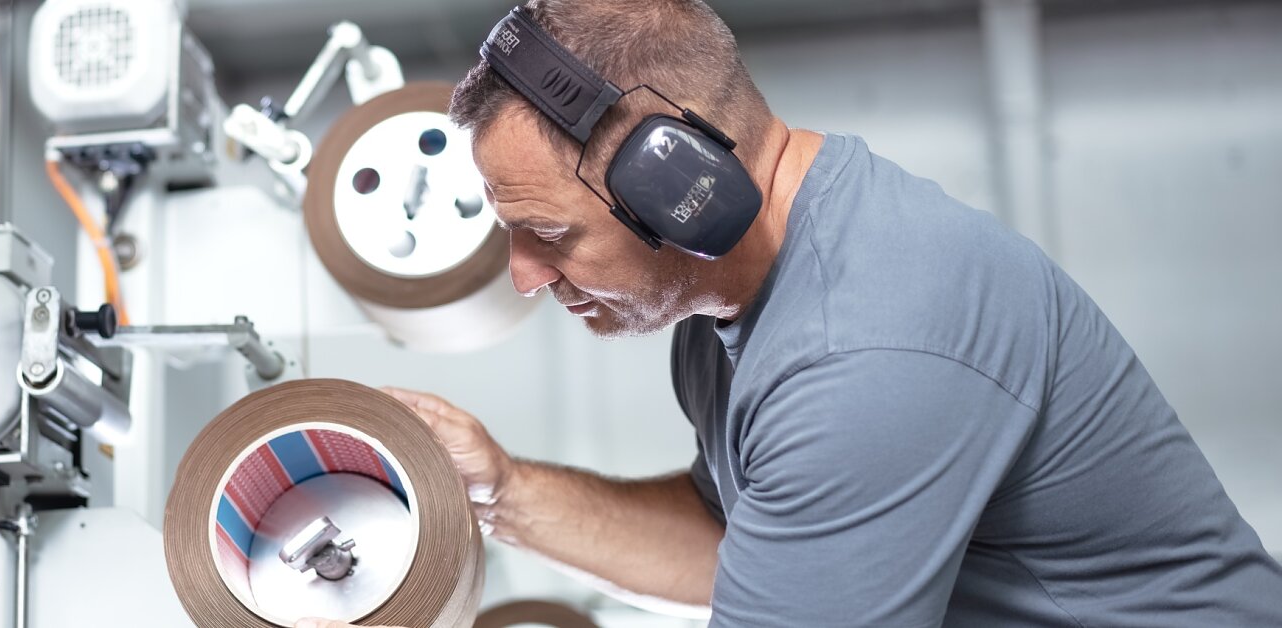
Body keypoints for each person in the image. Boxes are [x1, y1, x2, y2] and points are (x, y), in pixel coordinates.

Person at [298, 0, 1282, 626]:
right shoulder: (726, 308)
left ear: (677, 185)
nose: (522, 276)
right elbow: (743, 545)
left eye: (547, 232)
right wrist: (497, 490)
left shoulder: (868, 347)